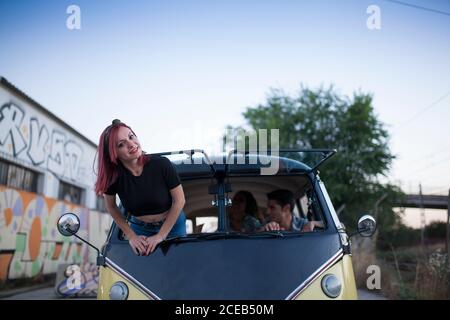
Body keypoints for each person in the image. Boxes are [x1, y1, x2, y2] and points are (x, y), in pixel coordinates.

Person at [95, 119, 186, 256]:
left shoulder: (162, 164)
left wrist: (161, 235)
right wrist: (131, 236)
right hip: (140, 229)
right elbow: (112, 207)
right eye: (121, 144)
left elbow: (179, 201)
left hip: (172, 225)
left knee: (178, 262)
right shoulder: (113, 178)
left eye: (131, 137)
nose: (131, 144)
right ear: (113, 153)